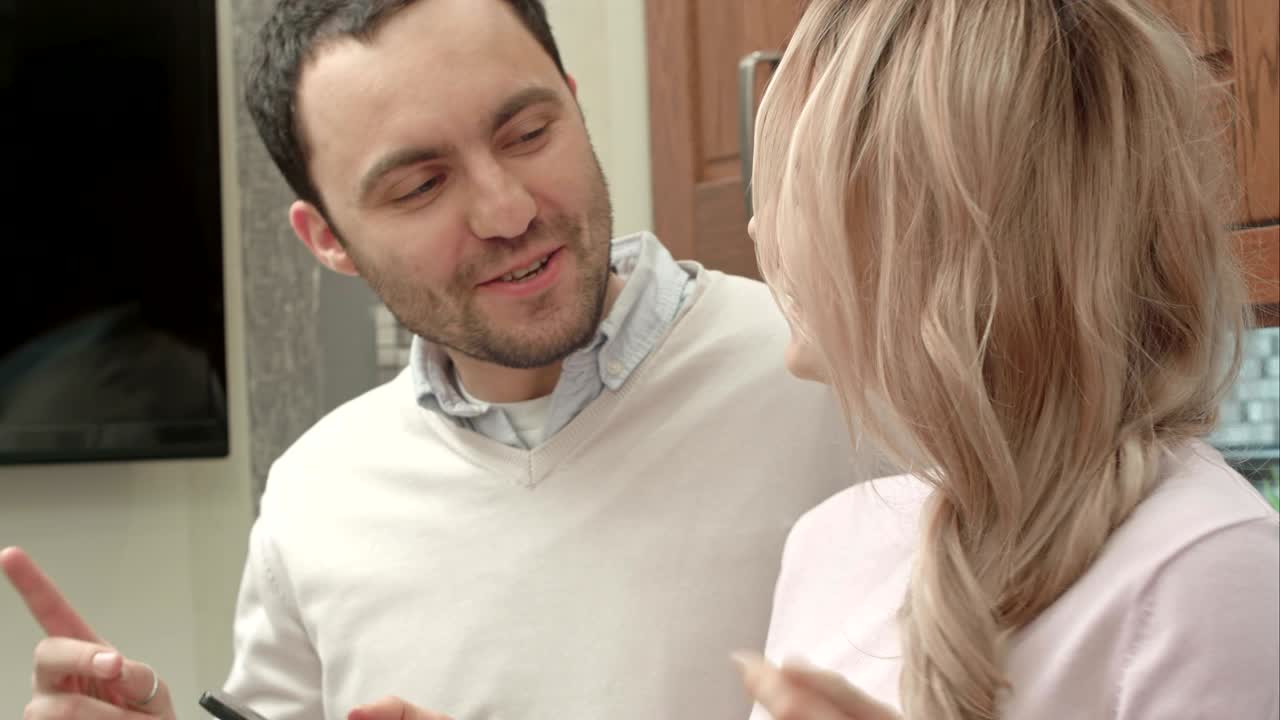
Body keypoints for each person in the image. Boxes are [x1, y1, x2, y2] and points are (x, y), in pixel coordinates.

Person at [3, 0, 864, 718]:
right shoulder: (317, 496)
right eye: (420, 186)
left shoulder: (844, 380)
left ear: (573, 100)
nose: (505, 209)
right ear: (329, 240)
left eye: (528, 132)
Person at [732, 0, 1280, 718]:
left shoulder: (1210, 568)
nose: (754, 225)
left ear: (934, 229)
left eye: (798, 187)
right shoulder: (829, 544)